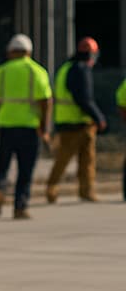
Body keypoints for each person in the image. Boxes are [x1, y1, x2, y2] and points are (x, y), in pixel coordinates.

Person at [0, 34, 51, 220]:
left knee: (2, 165)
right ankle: (20, 207)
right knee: (25, 170)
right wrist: (44, 127)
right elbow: (46, 101)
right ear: (28, 52)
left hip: (6, 125)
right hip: (30, 128)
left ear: (10, 52)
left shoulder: (3, 70)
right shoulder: (37, 71)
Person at [46, 37, 108, 203]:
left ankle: (84, 191)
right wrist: (99, 117)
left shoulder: (66, 68)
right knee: (75, 160)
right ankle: (59, 189)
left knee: (78, 159)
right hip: (77, 122)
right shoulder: (81, 70)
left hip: (68, 121)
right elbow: (84, 98)